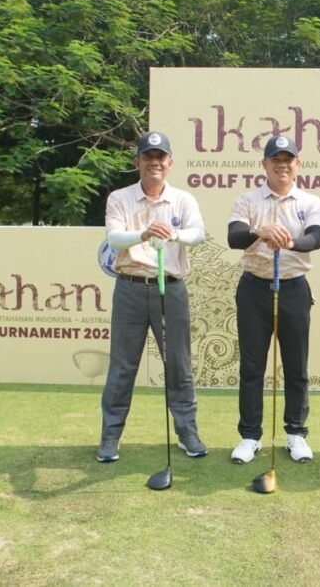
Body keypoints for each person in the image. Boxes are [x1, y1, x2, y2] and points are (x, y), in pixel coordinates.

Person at [97, 131, 207, 463]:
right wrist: (145, 233)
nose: (154, 162)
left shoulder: (183, 200)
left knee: (178, 365)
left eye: (160, 157)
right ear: (138, 162)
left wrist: (173, 233)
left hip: (170, 288)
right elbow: (115, 239)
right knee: (122, 365)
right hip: (130, 287)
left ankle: (187, 432)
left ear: (170, 163)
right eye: (148, 156)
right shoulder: (120, 198)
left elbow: (198, 234)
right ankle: (110, 436)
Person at [227, 135, 320, 464]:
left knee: (296, 366)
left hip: (294, 288)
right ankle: (250, 436)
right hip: (253, 288)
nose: (282, 165)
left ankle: (296, 433)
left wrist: (289, 242)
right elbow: (234, 237)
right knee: (252, 366)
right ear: (265, 164)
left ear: (297, 164)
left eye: (288, 159)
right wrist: (260, 231)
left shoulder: (309, 201)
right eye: (276, 159)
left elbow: (316, 238)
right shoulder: (247, 200)